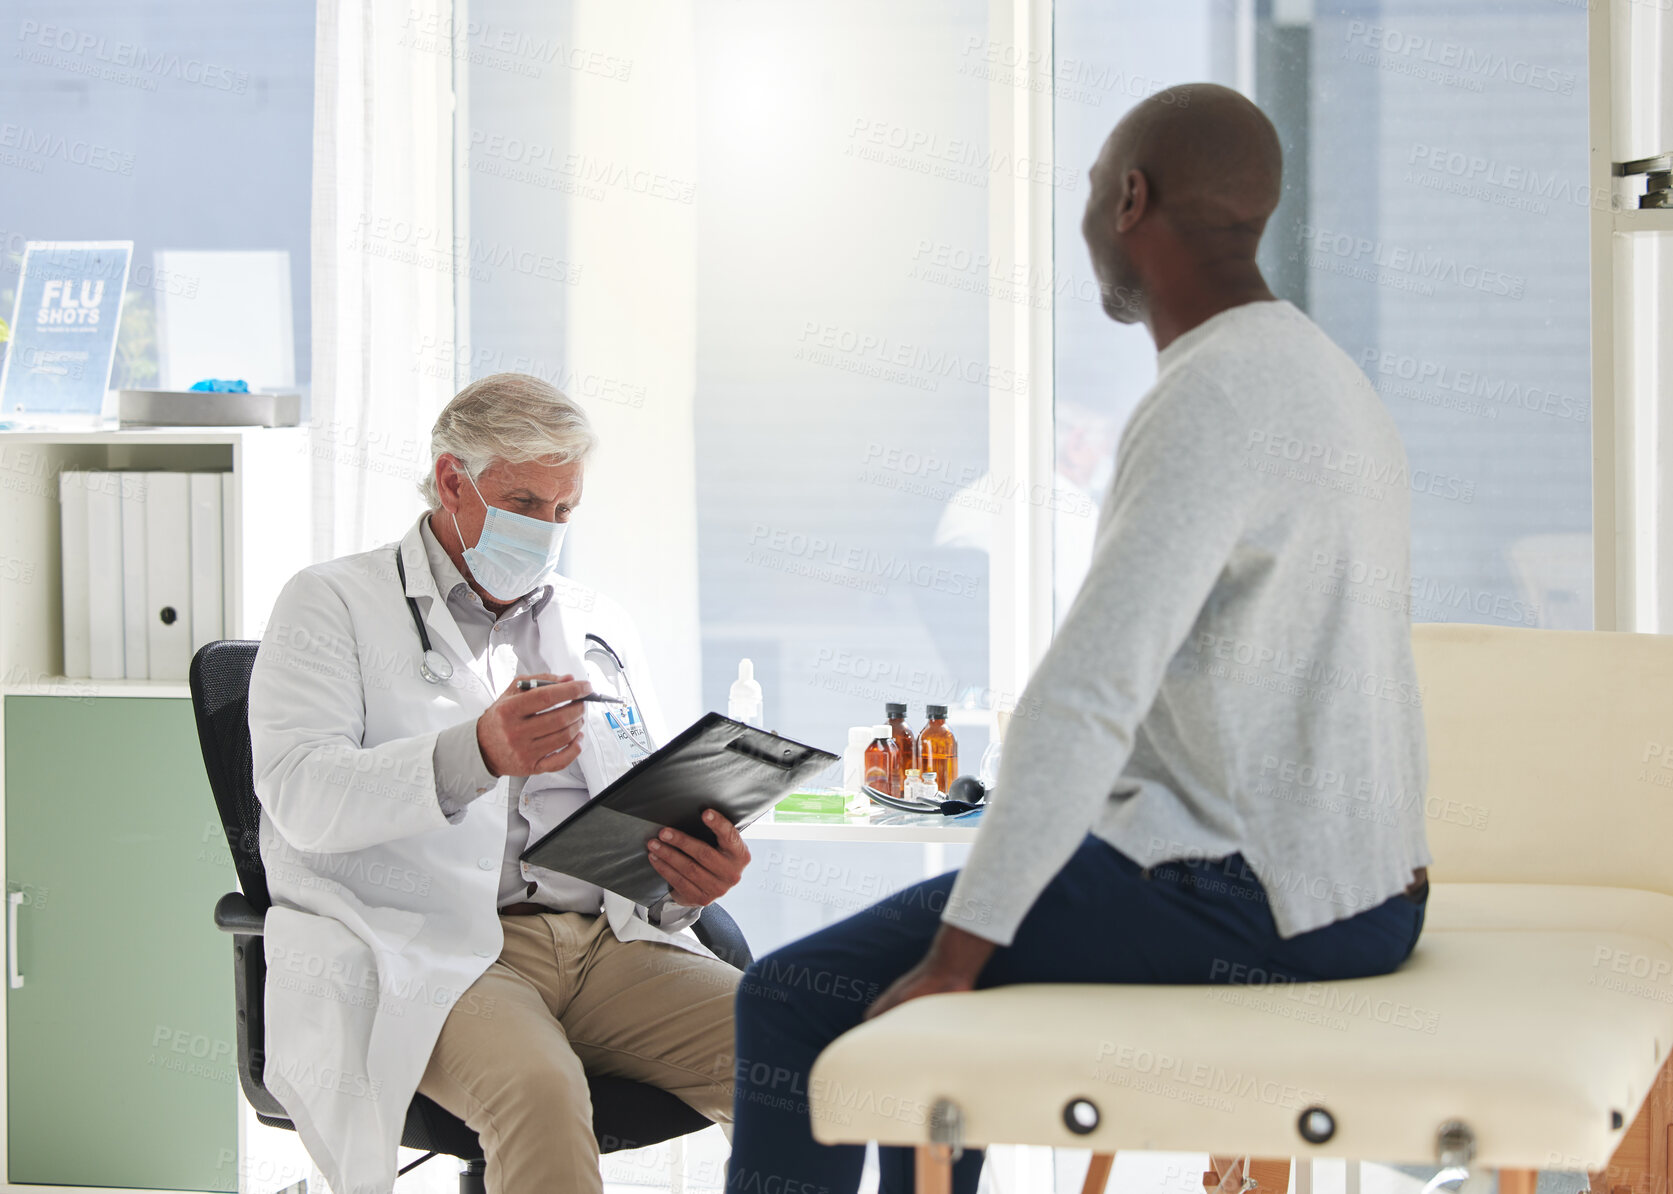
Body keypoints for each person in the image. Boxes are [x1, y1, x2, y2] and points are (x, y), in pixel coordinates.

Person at [728, 82, 1431, 1194]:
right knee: (953, 947)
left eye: (1092, 185)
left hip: (1256, 905)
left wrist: (957, 961)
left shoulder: (1209, 397)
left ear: (1129, 199)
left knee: (789, 996)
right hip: (1369, 892)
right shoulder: (1324, 376)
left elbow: (1086, 694)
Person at [248, 374, 749, 1194]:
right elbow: (301, 796)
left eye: (561, 512)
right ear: (453, 481)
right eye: (523, 503)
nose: (545, 531)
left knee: (800, 1052)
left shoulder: (597, 623)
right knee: (541, 1093)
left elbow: (643, 801)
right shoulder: (332, 603)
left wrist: (684, 882)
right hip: (433, 947)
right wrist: (475, 753)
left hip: (606, 943)